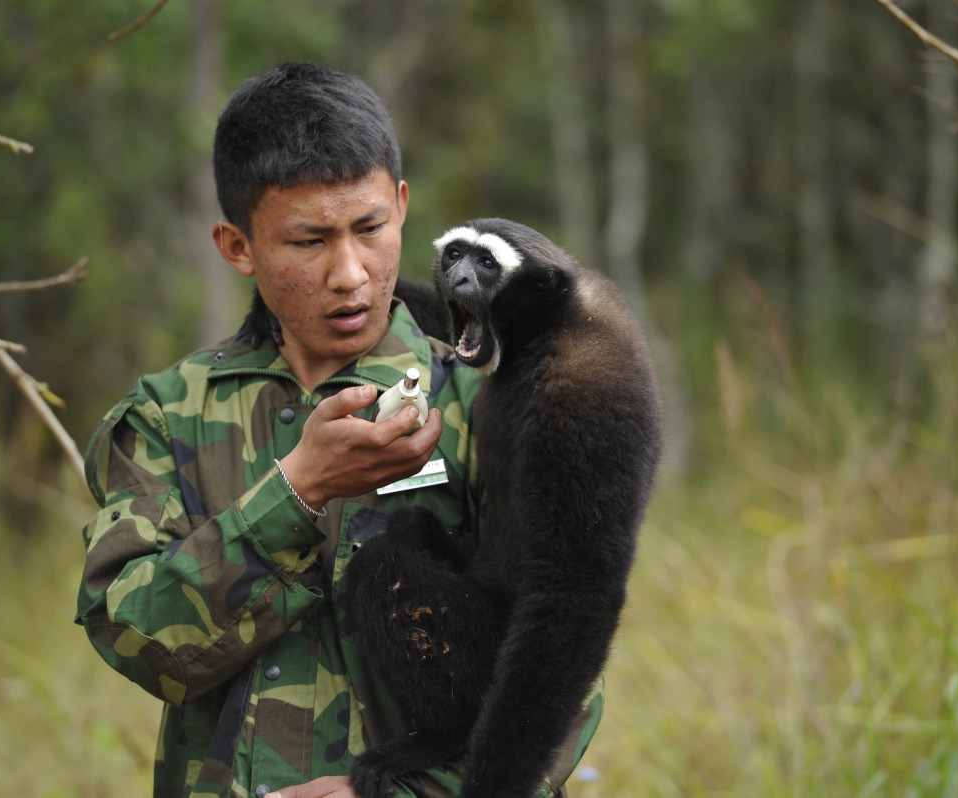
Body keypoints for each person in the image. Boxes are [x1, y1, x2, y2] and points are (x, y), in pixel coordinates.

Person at [75, 61, 599, 798]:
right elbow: (140, 643)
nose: (350, 273)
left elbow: (562, 667)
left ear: (403, 207)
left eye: (371, 228)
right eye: (308, 241)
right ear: (237, 246)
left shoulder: (493, 401)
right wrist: (297, 492)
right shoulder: (168, 416)